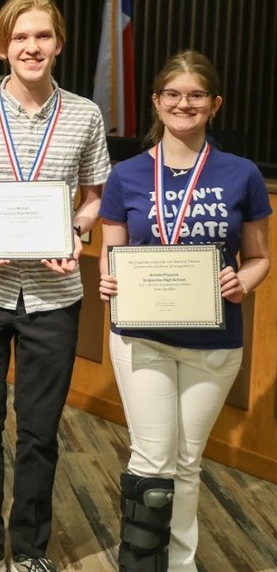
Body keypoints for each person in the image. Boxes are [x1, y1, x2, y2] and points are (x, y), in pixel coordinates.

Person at [0, 0, 112, 572]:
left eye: (42, 36)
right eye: (19, 38)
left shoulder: (84, 114)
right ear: (2, 47)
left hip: (55, 295)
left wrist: (77, 231)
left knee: (39, 430)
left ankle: (30, 549)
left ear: (59, 44)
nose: (31, 47)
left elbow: (95, 196)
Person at [98, 51, 270, 572]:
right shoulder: (126, 174)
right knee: (153, 459)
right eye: (172, 94)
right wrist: (109, 278)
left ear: (215, 104)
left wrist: (242, 281)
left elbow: (259, 257)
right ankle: (141, 562)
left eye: (196, 95)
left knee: (188, 462)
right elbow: (112, 250)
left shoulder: (242, 174)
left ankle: (180, 563)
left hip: (213, 343)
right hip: (141, 337)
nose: (183, 104)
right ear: (156, 102)